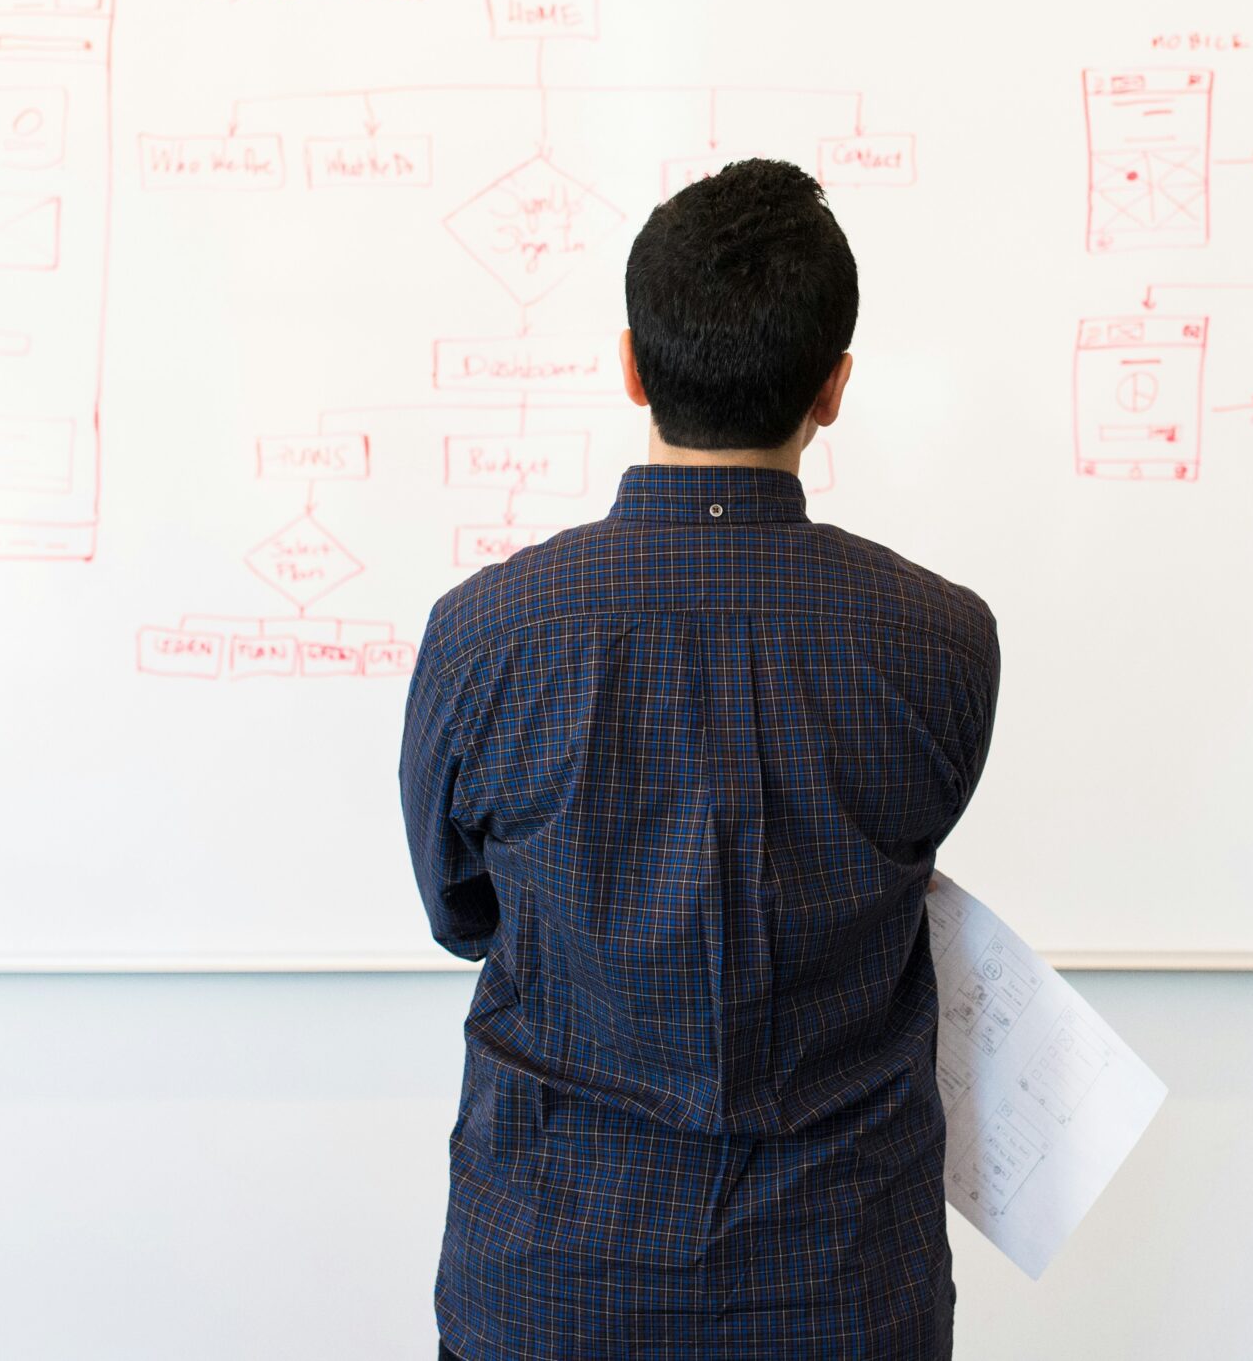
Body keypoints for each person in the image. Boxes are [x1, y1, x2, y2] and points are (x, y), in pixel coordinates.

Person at [399, 157, 1002, 1360]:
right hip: (842, 1289)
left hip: (552, 1282)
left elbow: (462, 912)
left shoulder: (484, 633)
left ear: (630, 363)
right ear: (832, 389)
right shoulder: (940, 639)